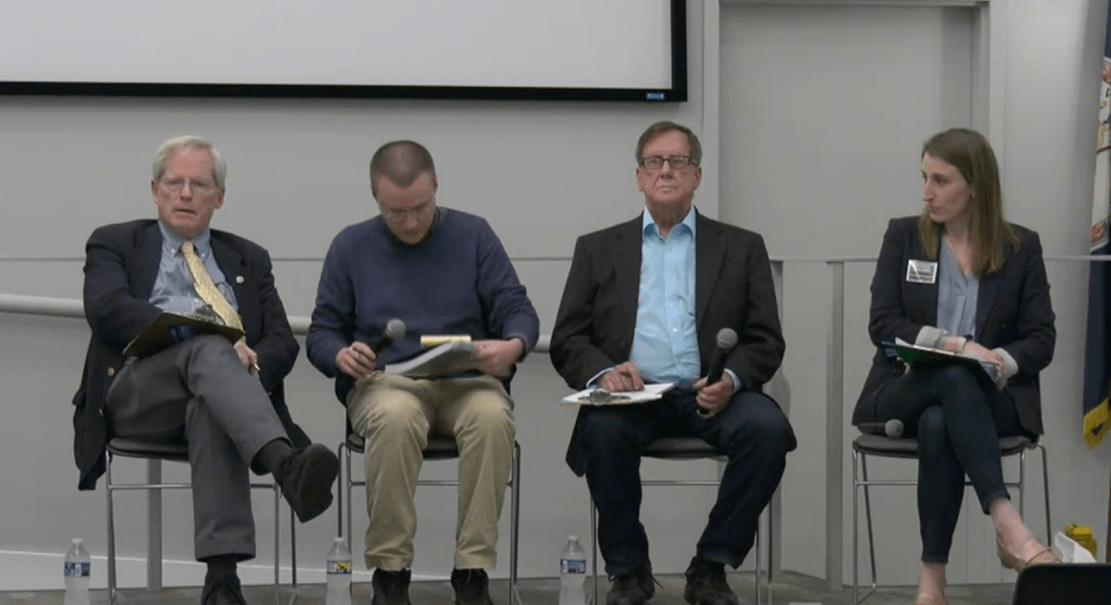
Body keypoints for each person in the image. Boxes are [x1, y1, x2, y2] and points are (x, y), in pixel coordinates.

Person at [72, 135, 340, 605]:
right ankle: (283, 463)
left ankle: (222, 581)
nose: (186, 193)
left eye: (199, 184)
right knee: (210, 348)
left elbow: (280, 340)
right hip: (138, 392)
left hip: (224, 397)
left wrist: (245, 370)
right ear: (155, 191)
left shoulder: (248, 258)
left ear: (220, 197)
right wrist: (205, 336)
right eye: (174, 182)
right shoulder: (114, 242)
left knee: (211, 402)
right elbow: (108, 310)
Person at [549, 121, 796, 605]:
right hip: (633, 398)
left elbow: (766, 339)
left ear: (697, 175)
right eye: (654, 162)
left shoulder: (741, 246)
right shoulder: (598, 248)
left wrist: (730, 376)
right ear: (639, 176)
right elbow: (568, 338)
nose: (666, 171)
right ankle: (629, 570)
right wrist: (605, 373)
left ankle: (711, 565)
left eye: (678, 161)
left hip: (713, 394)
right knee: (601, 432)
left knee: (767, 431)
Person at [307, 140, 539, 605]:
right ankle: (390, 574)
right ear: (375, 197)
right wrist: (339, 356)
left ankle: (472, 571)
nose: (410, 222)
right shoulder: (351, 245)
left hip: (467, 380)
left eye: (420, 208)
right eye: (395, 213)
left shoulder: (474, 236)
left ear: (436, 186)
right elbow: (322, 332)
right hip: (387, 382)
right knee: (396, 418)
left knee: (493, 418)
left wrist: (512, 346)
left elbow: (517, 308)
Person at [852, 128, 1060, 605]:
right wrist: (955, 345)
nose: (927, 192)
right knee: (948, 374)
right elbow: (882, 323)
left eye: (941, 181)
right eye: (923, 177)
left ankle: (931, 582)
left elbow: (1041, 338)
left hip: (991, 400)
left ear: (976, 187)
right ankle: (1007, 522)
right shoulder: (904, 235)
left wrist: (995, 361)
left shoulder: (1020, 247)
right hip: (904, 387)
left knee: (940, 417)